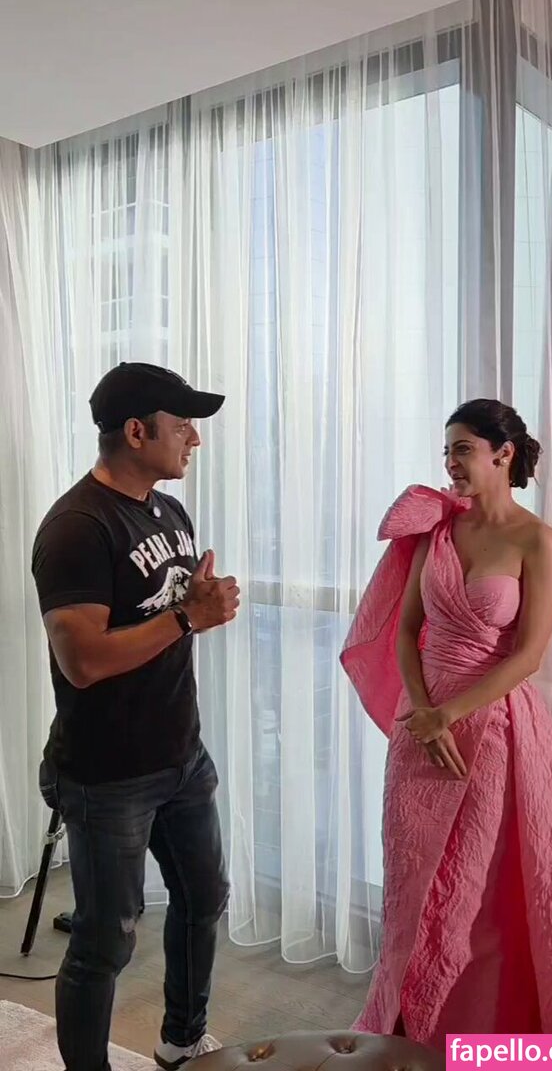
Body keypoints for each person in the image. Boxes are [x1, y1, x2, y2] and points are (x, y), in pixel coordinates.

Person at [341, 398, 552, 1046]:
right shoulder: (440, 532)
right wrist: (422, 712)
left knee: (480, 889)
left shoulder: (538, 541)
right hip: (420, 725)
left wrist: (449, 715)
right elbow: (406, 631)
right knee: (413, 876)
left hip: (491, 728)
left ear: (503, 454)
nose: (450, 464)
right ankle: (408, 1028)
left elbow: (529, 656)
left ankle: (480, 1033)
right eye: (447, 452)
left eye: (462, 449)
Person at [32, 362, 239, 1071]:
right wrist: (188, 617)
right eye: (183, 425)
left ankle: (181, 1040)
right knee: (105, 941)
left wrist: (193, 608)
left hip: (182, 755)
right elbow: (83, 661)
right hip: (108, 774)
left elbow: (169, 614)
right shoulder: (77, 527)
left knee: (204, 897)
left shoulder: (167, 511)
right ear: (136, 431)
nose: (194, 440)